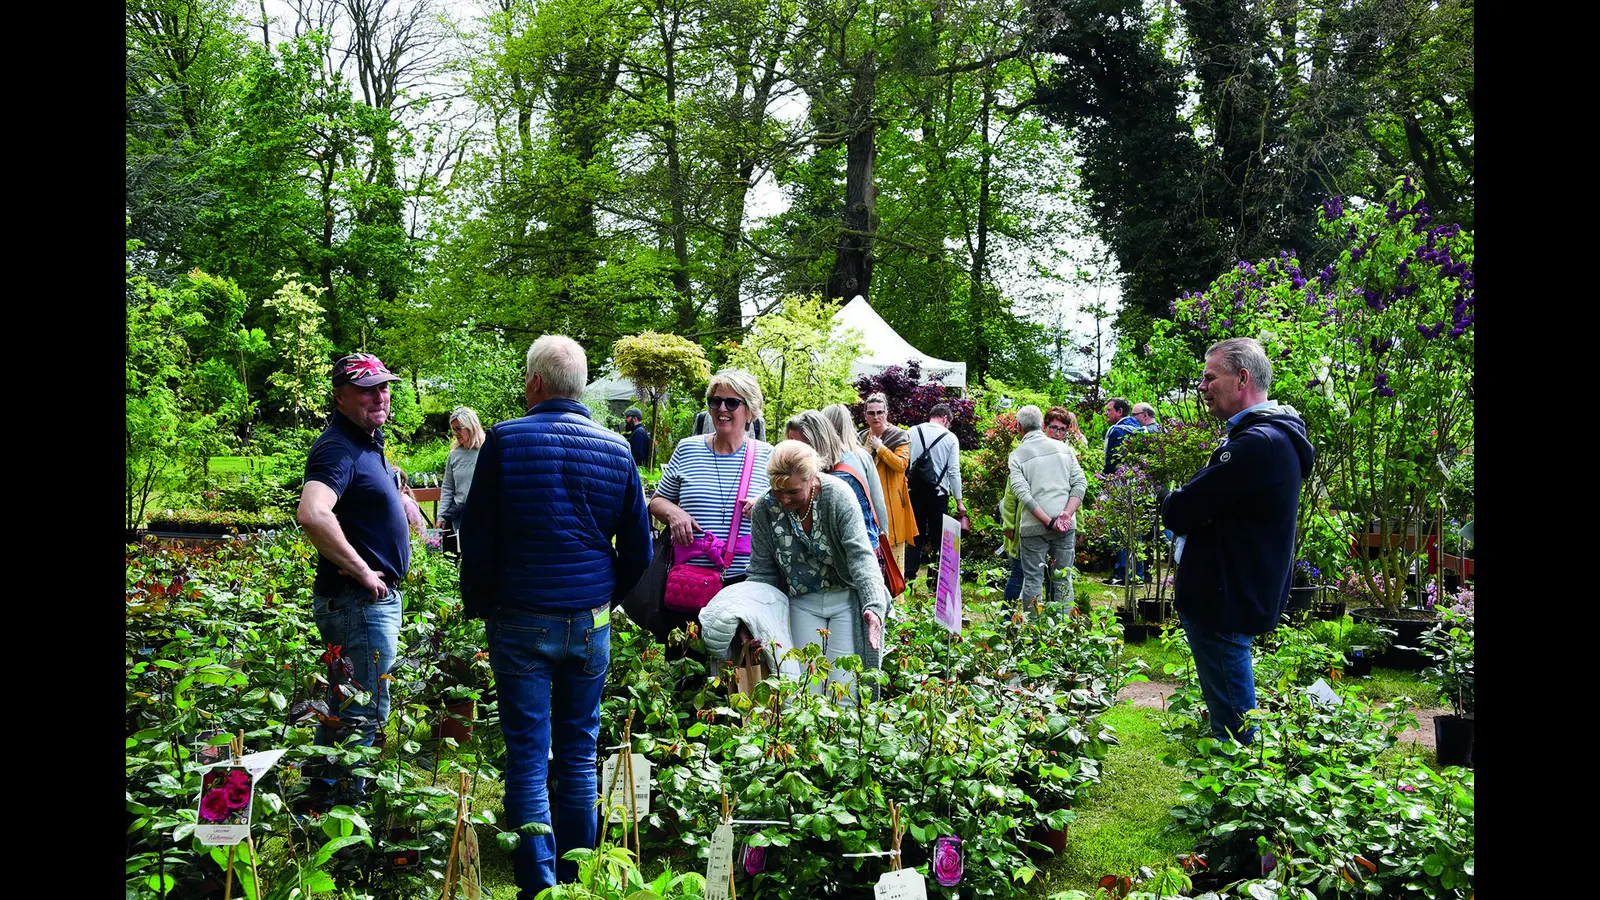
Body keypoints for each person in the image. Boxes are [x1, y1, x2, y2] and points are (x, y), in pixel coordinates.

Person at [458, 335, 652, 897]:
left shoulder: (505, 441)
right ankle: (579, 877)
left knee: (527, 754)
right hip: (589, 622)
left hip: (520, 618)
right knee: (578, 750)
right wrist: (602, 595)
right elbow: (638, 549)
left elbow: (479, 535)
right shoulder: (617, 449)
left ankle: (539, 885)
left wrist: (481, 603)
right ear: (581, 386)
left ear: (536, 383)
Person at [1163, 338, 1314, 744]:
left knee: (1233, 721)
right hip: (1235, 586)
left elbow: (1180, 510)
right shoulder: (1271, 437)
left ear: (1242, 378)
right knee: (1231, 704)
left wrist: (1172, 498)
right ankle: (1242, 789)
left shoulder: (1256, 444)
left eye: (1210, 377)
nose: (1202, 386)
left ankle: (1243, 796)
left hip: (1224, 595)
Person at [294, 352, 410, 810]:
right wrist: (363, 569)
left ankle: (321, 796)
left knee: (344, 705)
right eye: (366, 389)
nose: (379, 396)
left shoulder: (366, 440)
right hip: (358, 602)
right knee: (366, 710)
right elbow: (312, 512)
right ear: (340, 397)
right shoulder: (338, 447)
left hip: (361, 603)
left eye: (383, 386)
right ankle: (347, 815)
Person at [745, 440, 888, 701]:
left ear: (811, 479)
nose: (785, 499)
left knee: (844, 689)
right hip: (801, 600)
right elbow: (761, 571)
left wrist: (873, 605)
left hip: (844, 597)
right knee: (804, 688)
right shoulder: (765, 508)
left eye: (793, 491)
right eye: (778, 491)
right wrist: (756, 619)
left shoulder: (838, 496)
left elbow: (860, 556)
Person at [651, 370, 775, 635]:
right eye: (714, 401)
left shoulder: (769, 457)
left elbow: (788, 510)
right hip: (689, 583)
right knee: (687, 664)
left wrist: (766, 506)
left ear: (750, 410)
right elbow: (657, 501)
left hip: (745, 583)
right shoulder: (688, 449)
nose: (721, 409)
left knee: (740, 669)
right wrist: (674, 513)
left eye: (732, 402)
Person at [1007, 406, 1088, 614]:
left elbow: (1022, 494)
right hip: (1065, 526)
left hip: (1034, 528)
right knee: (1063, 579)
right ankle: (1062, 633)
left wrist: (1047, 520)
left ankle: (1036, 632)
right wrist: (1066, 515)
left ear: (1018, 427)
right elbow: (1080, 483)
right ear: (1041, 425)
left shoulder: (1017, 456)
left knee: (1033, 580)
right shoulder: (1064, 449)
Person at [785, 409, 880, 549]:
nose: (792, 454)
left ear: (818, 444)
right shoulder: (829, 467)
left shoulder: (840, 478)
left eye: (799, 448)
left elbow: (863, 540)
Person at [905, 403, 965, 581]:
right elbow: (954, 471)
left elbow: (905, 463)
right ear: (946, 419)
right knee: (939, 538)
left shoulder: (911, 432)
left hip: (914, 491)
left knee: (914, 536)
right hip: (938, 494)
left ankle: (909, 579)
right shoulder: (950, 437)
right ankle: (935, 582)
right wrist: (959, 501)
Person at [859, 393, 918, 570]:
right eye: (871, 413)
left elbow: (901, 465)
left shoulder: (899, 436)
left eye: (879, 412)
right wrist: (866, 451)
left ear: (886, 414)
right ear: (865, 416)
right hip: (867, 503)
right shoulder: (860, 437)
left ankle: (896, 597)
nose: (875, 417)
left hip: (892, 504)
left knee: (893, 552)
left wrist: (881, 448)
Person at [822, 403, 889, 536]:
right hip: (865, 534)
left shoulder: (819, 459)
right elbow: (877, 500)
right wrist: (883, 532)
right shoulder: (862, 456)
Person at [1102, 396, 1146, 585]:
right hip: (1140, 487)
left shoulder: (1117, 430)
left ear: (1119, 411)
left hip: (1120, 487)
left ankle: (1122, 574)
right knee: (1136, 532)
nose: (1106, 413)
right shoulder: (1141, 429)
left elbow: (1111, 462)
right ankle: (1138, 574)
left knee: (1119, 531)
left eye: (1109, 410)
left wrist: (1105, 482)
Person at [439, 406, 484, 539]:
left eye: (458, 428)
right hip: (460, 517)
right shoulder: (454, 455)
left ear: (471, 427)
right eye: (453, 429)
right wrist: (441, 516)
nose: (455, 433)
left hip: (485, 514)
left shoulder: (488, 450)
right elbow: (448, 487)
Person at [692, 407, 766, 441]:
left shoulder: (757, 422)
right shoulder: (702, 419)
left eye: (732, 402)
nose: (722, 408)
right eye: (716, 400)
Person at [392, 467, 428, 537]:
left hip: (409, 544)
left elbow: (419, 527)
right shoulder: (393, 501)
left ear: (401, 487)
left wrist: (418, 544)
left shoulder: (407, 503)